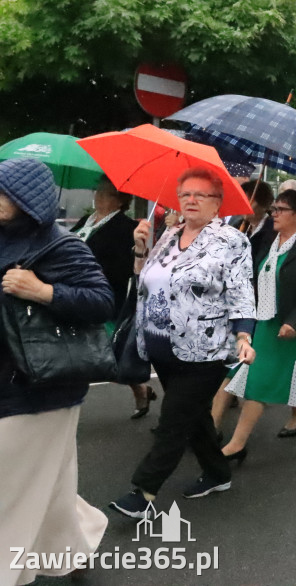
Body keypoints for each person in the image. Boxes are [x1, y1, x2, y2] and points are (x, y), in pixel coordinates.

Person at [110, 167, 256, 519]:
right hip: (162, 344)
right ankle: (219, 473)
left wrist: (244, 334)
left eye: (201, 194)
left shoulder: (232, 240)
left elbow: (240, 291)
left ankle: (143, 492)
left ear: (217, 202)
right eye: (186, 193)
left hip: (205, 348)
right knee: (193, 416)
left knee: (174, 420)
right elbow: (144, 279)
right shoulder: (169, 233)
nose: (191, 200)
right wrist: (141, 249)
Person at [0, 159, 113, 586]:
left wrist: (43, 290)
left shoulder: (61, 245)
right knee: (47, 482)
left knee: (9, 488)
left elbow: (102, 301)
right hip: (10, 379)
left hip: (39, 385)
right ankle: (75, 547)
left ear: (25, 199)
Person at [221, 190, 296, 461]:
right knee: (257, 380)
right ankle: (237, 444)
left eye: (280, 209)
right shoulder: (269, 239)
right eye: (273, 209)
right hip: (266, 324)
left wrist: (295, 322)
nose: (273, 213)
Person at [71, 176, 154, 418]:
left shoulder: (126, 227)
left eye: (104, 193)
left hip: (102, 295)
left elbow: (123, 269)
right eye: (97, 191)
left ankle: (70, 403)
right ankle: (140, 389)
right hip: (77, 293)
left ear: (119, 201)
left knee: (103, 355)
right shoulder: (88, 220)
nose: (97, 196)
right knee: (90, 353)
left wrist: (90, 267)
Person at [233, 179, 276, 256]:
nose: (244, 205)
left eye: (250, 200)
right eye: (242, 200)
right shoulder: (237, 227)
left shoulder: (273, 229)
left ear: (263, 203)